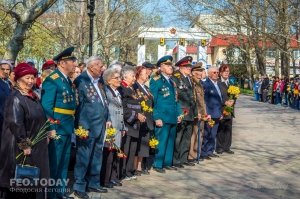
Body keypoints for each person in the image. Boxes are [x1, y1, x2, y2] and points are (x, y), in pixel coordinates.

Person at [0, 63, 49, 199]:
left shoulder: (32, 96)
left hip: (35, 145)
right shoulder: (16, 98)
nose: (30, 81)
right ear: (18, 79)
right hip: (19, 148)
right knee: (20, 183)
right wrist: (25, 144)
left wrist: (46, 132)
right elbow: (15, 123)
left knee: (31, 182)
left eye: (32, 78)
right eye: (27, 78)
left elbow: (40, 118)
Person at [41, 47, 77, 199]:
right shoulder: (52, 80)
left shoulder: (66, 80)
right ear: (62, 63)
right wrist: (51, 128)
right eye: (72, 61)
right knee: (54, 163)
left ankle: (59, 192)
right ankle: (51, 195)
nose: (75, 64)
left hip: (67, 127)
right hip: (58, 128)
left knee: (63, 162)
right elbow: (46, 107)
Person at [73, 56, 110, 199]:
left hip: (100, 125)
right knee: (83, 157)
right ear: (91, 66)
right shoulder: (81, 80)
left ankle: (93, 183)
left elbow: (104, 102)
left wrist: (108, 118)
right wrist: (82, 127)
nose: (102, 68)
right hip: (86, 127)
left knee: (96, 156)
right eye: (100, 66)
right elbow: (78, 105)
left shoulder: (100, 81)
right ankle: (79, 185)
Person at [150, 55, 182, 173]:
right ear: (161, 67)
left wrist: (179, 113)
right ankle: (158, 164)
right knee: (162, 140)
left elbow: (175, 100)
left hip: (172, 116)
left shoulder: (172, 82)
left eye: (171, 66)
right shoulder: (156, 81)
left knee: (170, 140)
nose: (171, 68)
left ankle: (167, 162)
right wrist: (156, 117)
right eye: (168, 66)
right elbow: (154, 100)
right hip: (162, 116)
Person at [119, 66, 145, 180]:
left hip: (135, 124)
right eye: (132, 76)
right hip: (128, 123)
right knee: (126, 148)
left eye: (134, 75)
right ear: (125, 76)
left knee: (132, 149)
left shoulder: (133, 88)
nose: (134, 78)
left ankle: (129, 171)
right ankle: (123, 171)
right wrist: (136, 115)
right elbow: (124, 107)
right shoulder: (122, 88)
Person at [101, 68, 124, 188]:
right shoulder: (106, 92)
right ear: (109, 80)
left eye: (119, 77)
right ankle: (105, 180)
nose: (119, 80)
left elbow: (121, 110)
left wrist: (123, 126)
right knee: (108, 155)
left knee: (115, 154)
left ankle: (113, 177)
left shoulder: (117, 92)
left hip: (118, 128)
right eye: (116, 78)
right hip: (110, 128)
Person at [172, 56, 196, 168]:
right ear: (181, 67)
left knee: (187, 137)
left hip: (190, 112)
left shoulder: (189, 78)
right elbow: (179, 94)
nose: (189, 68)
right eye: (187, 66)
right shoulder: (176, 78)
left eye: (190, 66)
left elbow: (193, 96)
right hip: (182, 111)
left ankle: (183, 158)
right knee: (178, 137)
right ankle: (176, 160)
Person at [201, 67, 227, 159]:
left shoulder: (218, 84)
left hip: (217, 113)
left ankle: (210, 150)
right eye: (214, 72)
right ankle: (204, 152)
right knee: (207, 134)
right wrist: (206, 113)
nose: (216, 74)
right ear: (209, 74)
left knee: (213, 134)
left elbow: (219, 100)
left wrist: (220, 113)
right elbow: (205, 101)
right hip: (210, 113)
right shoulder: (206, 84)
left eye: (217, 72)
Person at [133, 66, 154, 175]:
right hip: (140, 118)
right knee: (138, 143)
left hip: (148, 119)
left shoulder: (145, 87)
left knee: (144, 144)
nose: (147, 75)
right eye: (145, 73)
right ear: (139, 75)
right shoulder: (135, 86)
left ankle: (141, 165)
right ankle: (135, 166)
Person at [188, 62, 208, 161]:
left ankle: (197, 154)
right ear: (193, 72)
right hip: (196, 114)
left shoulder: (200, 83)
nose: (200, 73)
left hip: (202, 114)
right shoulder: (192, 83)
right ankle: (191, 155)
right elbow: (193, 100)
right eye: (198, 71)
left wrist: (205, 113)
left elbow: (202, 101)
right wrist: (197, 113)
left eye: (201, 71)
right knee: (194, 135)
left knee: (200, 134)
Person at [216, 64, 235, 155]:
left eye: (228, 71)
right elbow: (218, 96)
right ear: (220, 73)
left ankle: (227, 147)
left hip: (230, 109)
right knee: (221, 129)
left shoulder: (230, 83)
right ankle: (219, 147)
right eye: (224, 71)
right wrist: (225, 102)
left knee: (228, 128)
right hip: (222, 109)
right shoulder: (218, 83)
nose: (226, 73)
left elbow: (235, 95)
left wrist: (233, 100)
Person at [0, 62, 11, 135]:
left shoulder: (10, 83)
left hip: (7, 120)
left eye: (7, 69)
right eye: (2, 69)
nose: (5, 71)